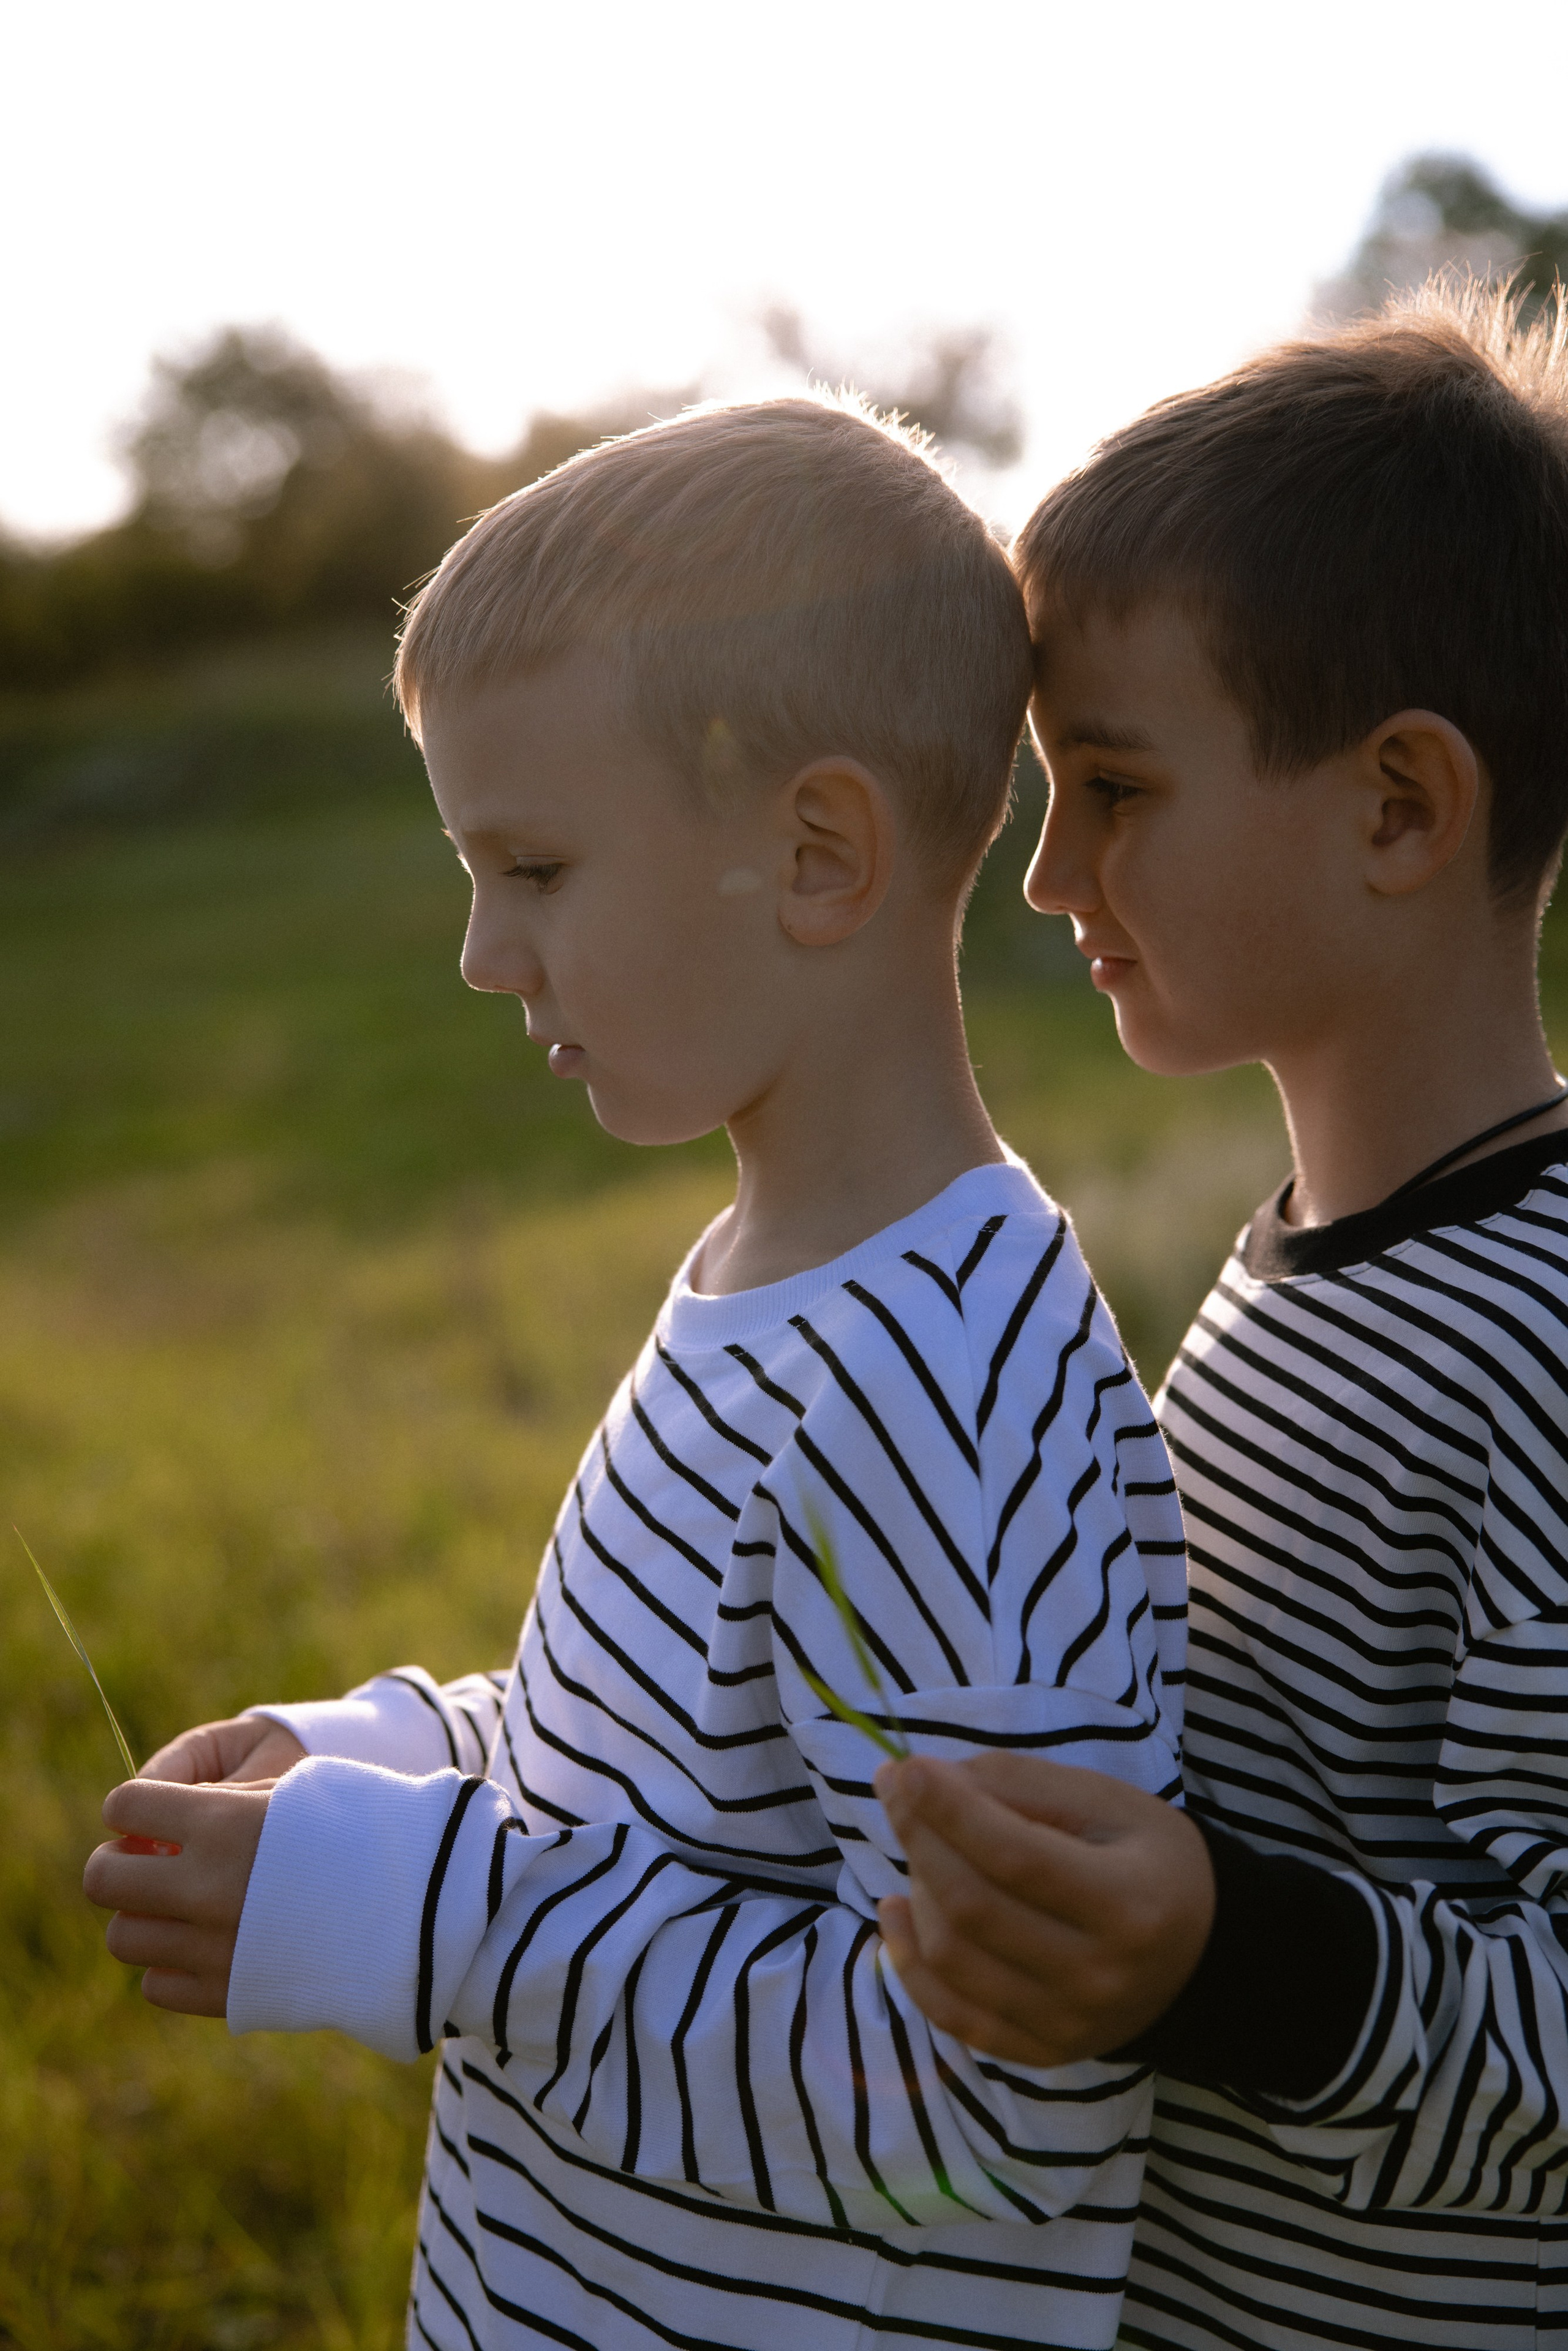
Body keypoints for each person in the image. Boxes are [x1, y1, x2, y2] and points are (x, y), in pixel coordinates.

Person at [82, 396, 1188, 2351]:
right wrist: (386, 1760)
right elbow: (662, 1760)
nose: (481, 958)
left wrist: (427, 1913)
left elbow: (981, 2095)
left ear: (817, 853)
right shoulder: (781, 1284)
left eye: (534, 867)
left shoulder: (948, 1393)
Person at [874, 276, 1568, 2350]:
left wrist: (1226, 1958)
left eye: (1115, 786)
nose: (1045, 872)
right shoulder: (1295, 1273)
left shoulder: (1545, 1338)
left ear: (1394, 810)